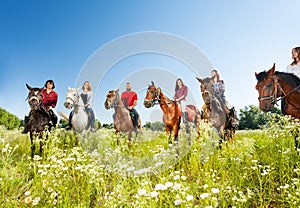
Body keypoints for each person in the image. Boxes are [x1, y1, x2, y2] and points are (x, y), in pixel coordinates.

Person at [282, 46, 300, 112]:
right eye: (292, 52)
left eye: (294, 52)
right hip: (293, 86)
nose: (292, 54)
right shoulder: (289, 66)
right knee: (283, 96)